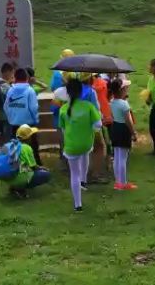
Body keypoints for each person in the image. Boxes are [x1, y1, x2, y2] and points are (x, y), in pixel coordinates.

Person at [58, 79, 102, 212]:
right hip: (86, 143)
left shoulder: (63, 109)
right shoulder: (89, 106)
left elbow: (63, 129)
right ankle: (84, 180)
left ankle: (78, 205)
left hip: (71, 146)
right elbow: (98, 125)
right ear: (81, 91)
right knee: (86, 152)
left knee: (74, 174)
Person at [108, 78, 138, 190]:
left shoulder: (111, 102)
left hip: (115, 128)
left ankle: (118, 182)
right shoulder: (124, 104)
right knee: (123, 158)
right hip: (123, 130)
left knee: (117, 156)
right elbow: (128, 121)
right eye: (125, 88)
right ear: (121, 90)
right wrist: (133, 133)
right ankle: (123, 183)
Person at [8, 124, 52, 198]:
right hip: (20, 176)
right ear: (28, 138)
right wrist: (43, 168)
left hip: (9, 176)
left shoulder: (11, 145)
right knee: (46, 174)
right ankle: (20, 188)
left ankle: (14, 186)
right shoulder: (27, 148)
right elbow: (33, 166)